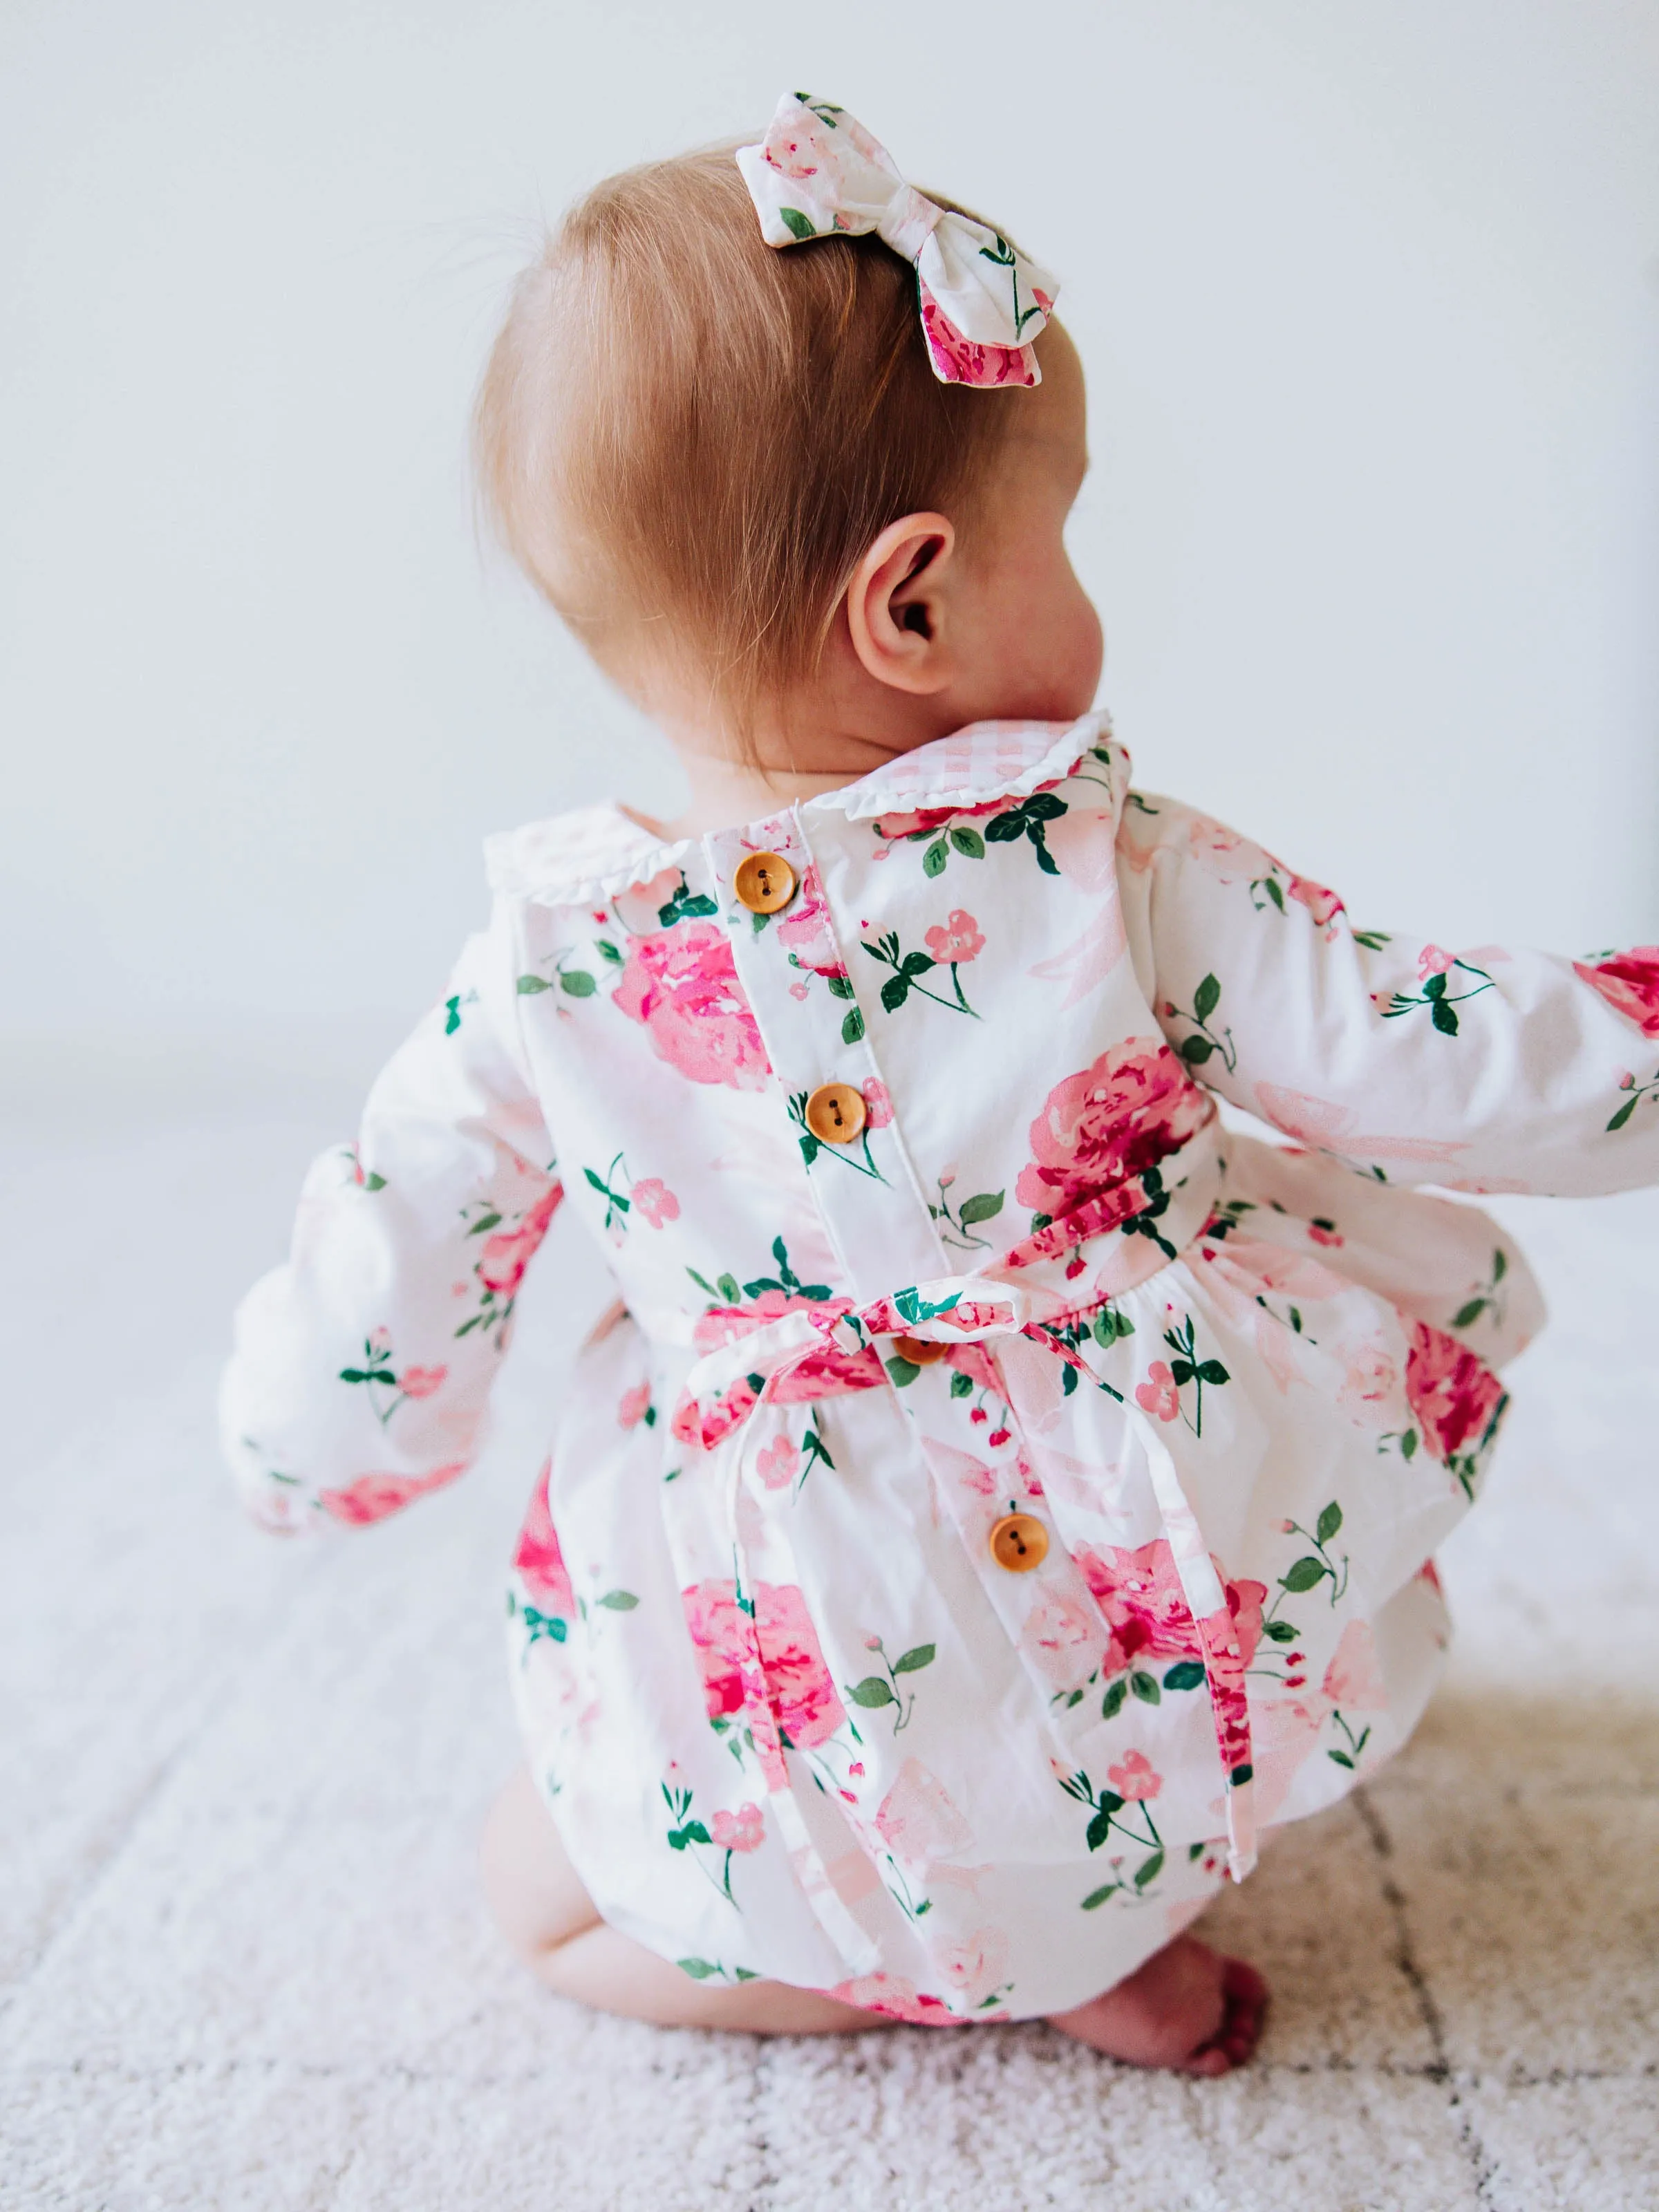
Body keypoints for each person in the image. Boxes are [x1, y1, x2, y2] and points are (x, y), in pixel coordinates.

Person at [221, 93, 1659, 2074]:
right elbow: (1434, 1043)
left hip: (793, 1638)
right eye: (1055, 535)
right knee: (1149, 1738)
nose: (1086, 589)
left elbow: (390, 1276)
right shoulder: (1109, 859)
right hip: (1143, 1564)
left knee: (542, 1902)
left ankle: (911, 1953)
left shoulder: (537, 971)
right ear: (912, 601)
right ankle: (1102, 1916)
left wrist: (296, 1446)